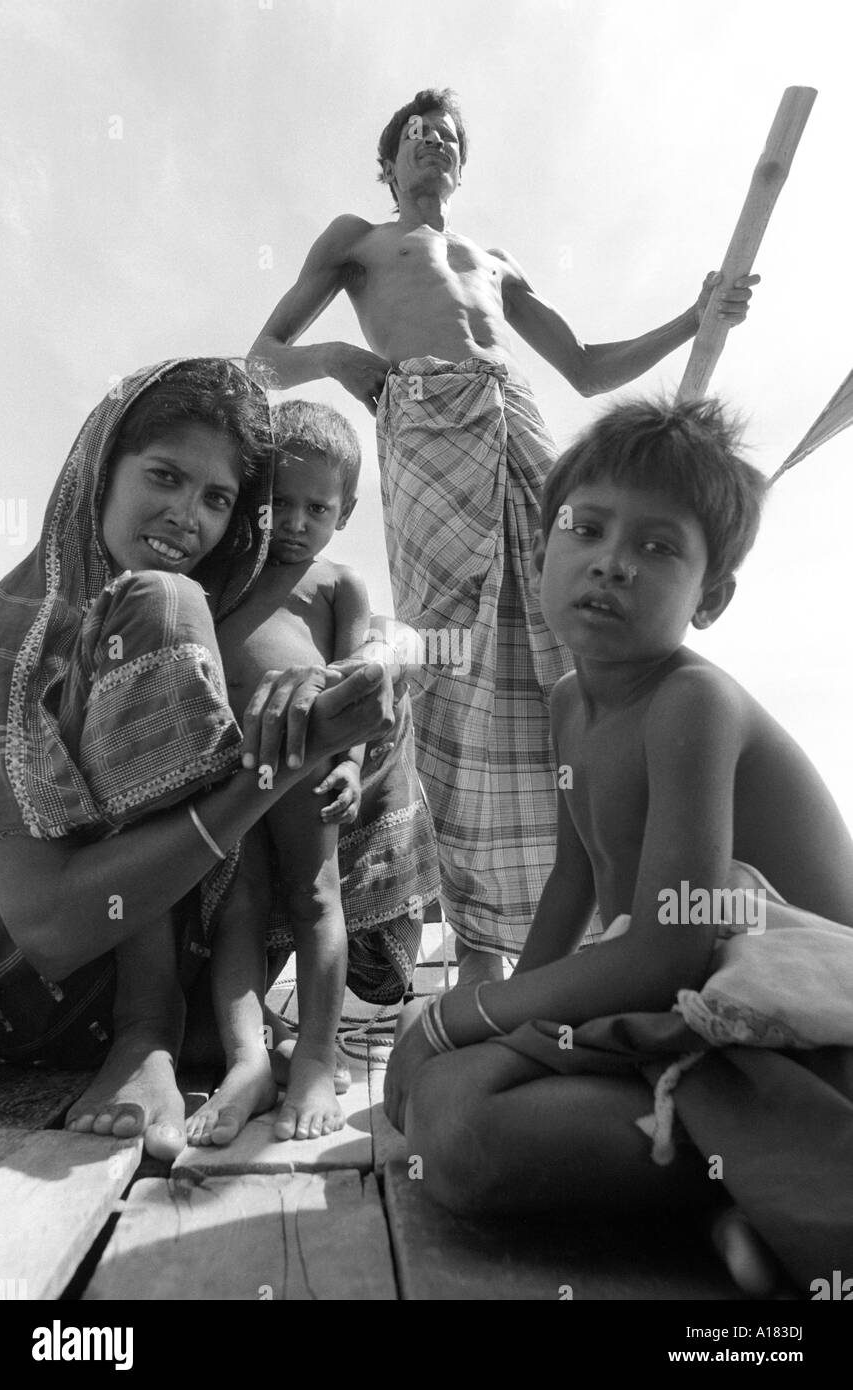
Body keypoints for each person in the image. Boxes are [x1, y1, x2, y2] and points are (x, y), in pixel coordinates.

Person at [246, 87, 758, 986]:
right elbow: (261, 359)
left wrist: (694, 316)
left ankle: (625, 898)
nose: (431, 143)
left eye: (446, 135)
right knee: (453, 665)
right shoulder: (357, 240)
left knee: (579, 630)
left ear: (460, 161)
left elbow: (587, 367)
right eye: (415, 134)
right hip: (423, 428)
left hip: (515, 421)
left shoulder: (495, 260)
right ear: (390, 159)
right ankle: (479, 944)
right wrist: (332, 359)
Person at [384, 397, 853, 1294]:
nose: (612, 563)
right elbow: (573, 881)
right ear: (543, 549)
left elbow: (670, 941)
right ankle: (737, 1200)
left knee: (458, 1127)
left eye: (658, 547)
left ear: (708, 598)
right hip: (682, 1005)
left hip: (792, 1035)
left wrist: (461, 1020)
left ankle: (766, 1187)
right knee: (432, 1085)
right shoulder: (570, 704)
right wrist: (492, 1014)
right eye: (587, 529)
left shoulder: (692, 703)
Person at [0, 359, 400, 1160]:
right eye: (165, 477)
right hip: (33, 984)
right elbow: (49, 930)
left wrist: (369, 671)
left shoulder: (241, 590)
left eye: (217, 499)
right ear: (100, 470)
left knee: (367, 690)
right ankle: (147, 1034)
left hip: (194, 961)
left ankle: (250, 1042)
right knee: (165, 601)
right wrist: (271, 771)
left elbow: (378, 629)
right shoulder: (9, 629)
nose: (188, 516)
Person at [187, 401, 437, 1146]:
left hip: (307, 761)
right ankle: (246, 1064)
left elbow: (363, 687)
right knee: (236, 905)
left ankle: (316, 1057)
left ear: (345, 510)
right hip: (226, 767)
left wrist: (355, 767)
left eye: (316, 507)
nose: (294, 522)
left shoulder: (336, 585)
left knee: (313, 895)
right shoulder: (219, 573)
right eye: (277, 503)